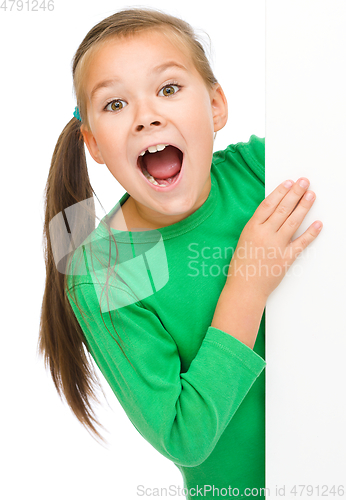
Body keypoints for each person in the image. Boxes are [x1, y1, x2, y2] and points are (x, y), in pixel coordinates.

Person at [37, 7, 323, 499]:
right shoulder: (109, 269)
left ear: (215, 106)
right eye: (115, 104)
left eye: (168, 89)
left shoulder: (262, 170)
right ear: (94, 144)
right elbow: (184, 435)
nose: (147, 116)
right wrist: (247, 283)